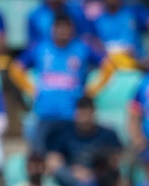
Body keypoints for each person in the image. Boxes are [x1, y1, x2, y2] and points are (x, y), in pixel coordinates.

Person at [9, 14, 112, 152]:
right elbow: (15, 69)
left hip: (71, 115)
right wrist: (31, 89)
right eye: (59, 28)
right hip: (44, 114)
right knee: (39, 154)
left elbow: (108, 66)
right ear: (53, 29)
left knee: (69, 156)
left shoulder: (81, 48)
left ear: (72, 29)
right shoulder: (41, 48)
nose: (62, 32)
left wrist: (92, 90)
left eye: (66, 28)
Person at [45, 97, 122, 186]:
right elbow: (52, 161)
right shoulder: (64, 133)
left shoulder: (107, 135)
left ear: (93, 113)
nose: (84, 119)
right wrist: (73, 172)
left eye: (87, 114)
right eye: (81, 114)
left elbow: (117, 160)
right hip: (71, 179)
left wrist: (92, 174)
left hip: (98, 179)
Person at [93, 0, 149, 69]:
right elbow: (94, 42)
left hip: (134, 65)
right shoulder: (97, 20)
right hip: (109, 67)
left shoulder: (133, 12)